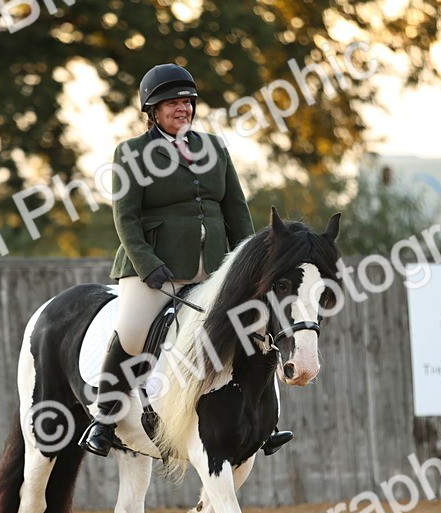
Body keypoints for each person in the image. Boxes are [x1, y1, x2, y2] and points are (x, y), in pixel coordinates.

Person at [78, 63, 295, 458]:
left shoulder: (215, 147)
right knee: (132, 330)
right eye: (173, 103)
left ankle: (266, 422)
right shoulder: (132, 153)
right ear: (152, 110)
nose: (183, 108)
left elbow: (236, 210)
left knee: (254, 329)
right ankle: (104, 417)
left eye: (188, 102)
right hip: (153, 269)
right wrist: (148, 265)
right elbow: (125, 219)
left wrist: (249, 264)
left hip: (215, 269)